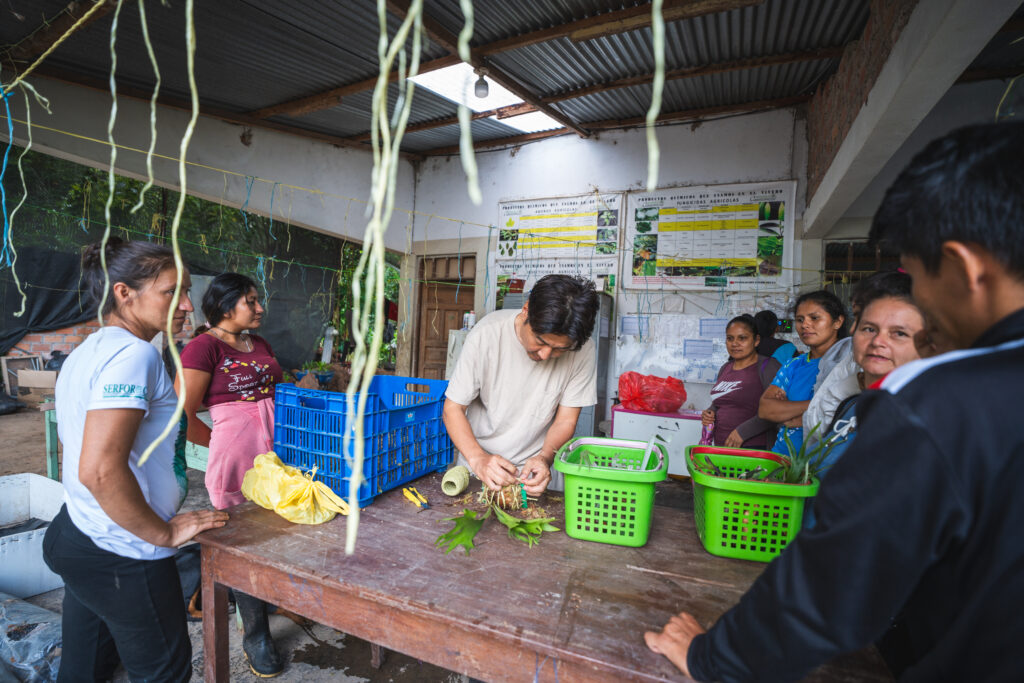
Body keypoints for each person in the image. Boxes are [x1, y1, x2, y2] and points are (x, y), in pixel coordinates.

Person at [644, 122, 1024, 681]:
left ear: (966, 268)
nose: (916, 324)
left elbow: (834, 586)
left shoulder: (941, 405)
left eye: (917, 283)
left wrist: (712, 658)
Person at [43, 238, 228, 682]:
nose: (187, 305)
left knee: (85, 666)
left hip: (78, 533)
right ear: (124, 293)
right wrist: (162, 532)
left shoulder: (89, 350)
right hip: (124, 553)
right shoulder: (134, 354)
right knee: (163, 673)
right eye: (171, 292)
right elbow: (100, 470)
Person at [178, 272, 285, 676]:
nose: (260, 308)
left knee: (278, 528)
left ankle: (268, 596)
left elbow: (277, 388)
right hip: (235, 456)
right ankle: (256, 636)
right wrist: (224, 442)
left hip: (277, 449)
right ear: (226, 307)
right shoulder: (202, 348)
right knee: (242, 543)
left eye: (258, 301)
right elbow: (181, 416)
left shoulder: (259, 343)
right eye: (251, 301)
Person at [443, 274, 599, 494]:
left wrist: (545, 458)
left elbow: (565, 420)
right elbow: (453, 408)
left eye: (559, 350)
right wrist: (479, 459)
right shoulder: (486, 334)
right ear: (526, 310)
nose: (545, 355)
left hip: (535, 475)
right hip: (480, 466)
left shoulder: (583, 350)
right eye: (540, 342)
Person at [757, 290, 847, 455]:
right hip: (782, 459)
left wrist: (788, 410)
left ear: (837, 322)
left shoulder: (848, 363)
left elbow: (848, 412)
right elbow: (766, 409)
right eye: (800, 319)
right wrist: (819, 407)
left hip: (822, 464)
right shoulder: (794, 364)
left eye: (814, 318)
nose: (805, 325)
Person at [701, 315, 781, 448]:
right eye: (730, 338)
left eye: (742, 338)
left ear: (756, 340)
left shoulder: (768, 367)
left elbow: (776, 411)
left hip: (755, 451)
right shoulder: (725, 368)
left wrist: (743, 432)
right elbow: (720, 403)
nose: (735, 344)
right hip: (722, 449)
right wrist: (710, 412)